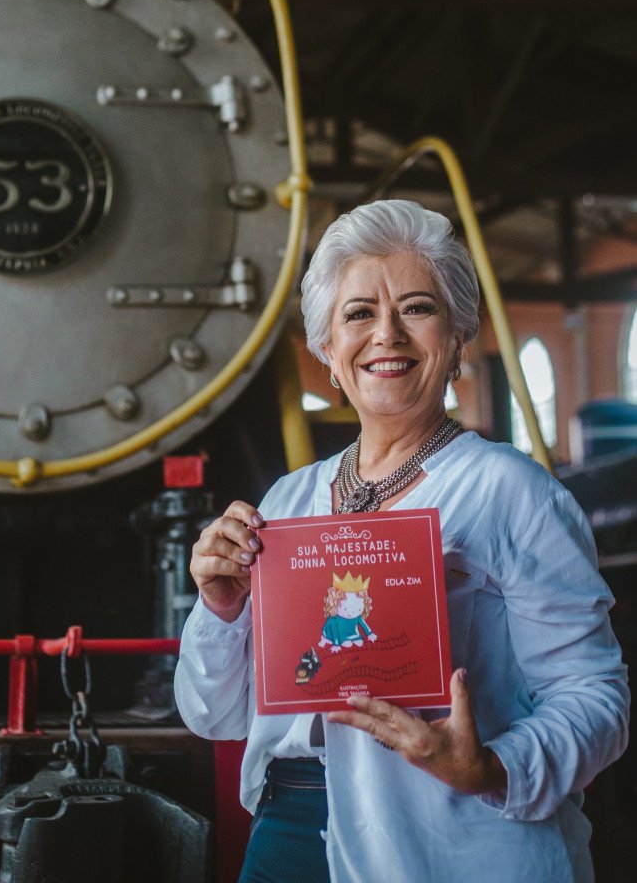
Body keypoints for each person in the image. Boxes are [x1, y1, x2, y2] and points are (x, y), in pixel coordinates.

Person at [174, 199, 629, 883]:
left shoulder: (510, 490)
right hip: (287, 829)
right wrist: (221, 609)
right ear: (328, 348)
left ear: (457, 335)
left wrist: (494, 765)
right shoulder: (289, 501)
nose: (386, 334)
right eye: (358, 314)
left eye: (416, 308)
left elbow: (596, 697)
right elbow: (216, 715)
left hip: (450, 832)